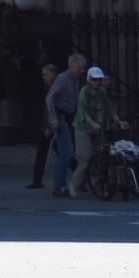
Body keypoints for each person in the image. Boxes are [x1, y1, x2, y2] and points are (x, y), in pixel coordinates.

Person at [46, 54, 86, 198]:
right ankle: (58, 186)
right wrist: (53, 118)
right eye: (80, 67)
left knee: (68, 150)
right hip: (60, 117)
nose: (82, 70)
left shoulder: (74, 80)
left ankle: (74, 181)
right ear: (73, 66)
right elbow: (50, 97)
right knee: (67, 151)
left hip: (67, 117)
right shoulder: (63, 79)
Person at [27, 62, 60, 189]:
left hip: (50, 123)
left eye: (46, 74)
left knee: (54, 150)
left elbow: (50, 109)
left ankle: (37, 180)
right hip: (48, 123)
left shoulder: (53, 88)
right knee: (53, 150)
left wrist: (47, 125)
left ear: (53, 74)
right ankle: (37, 179)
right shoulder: (49, 87)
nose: (44, 77)